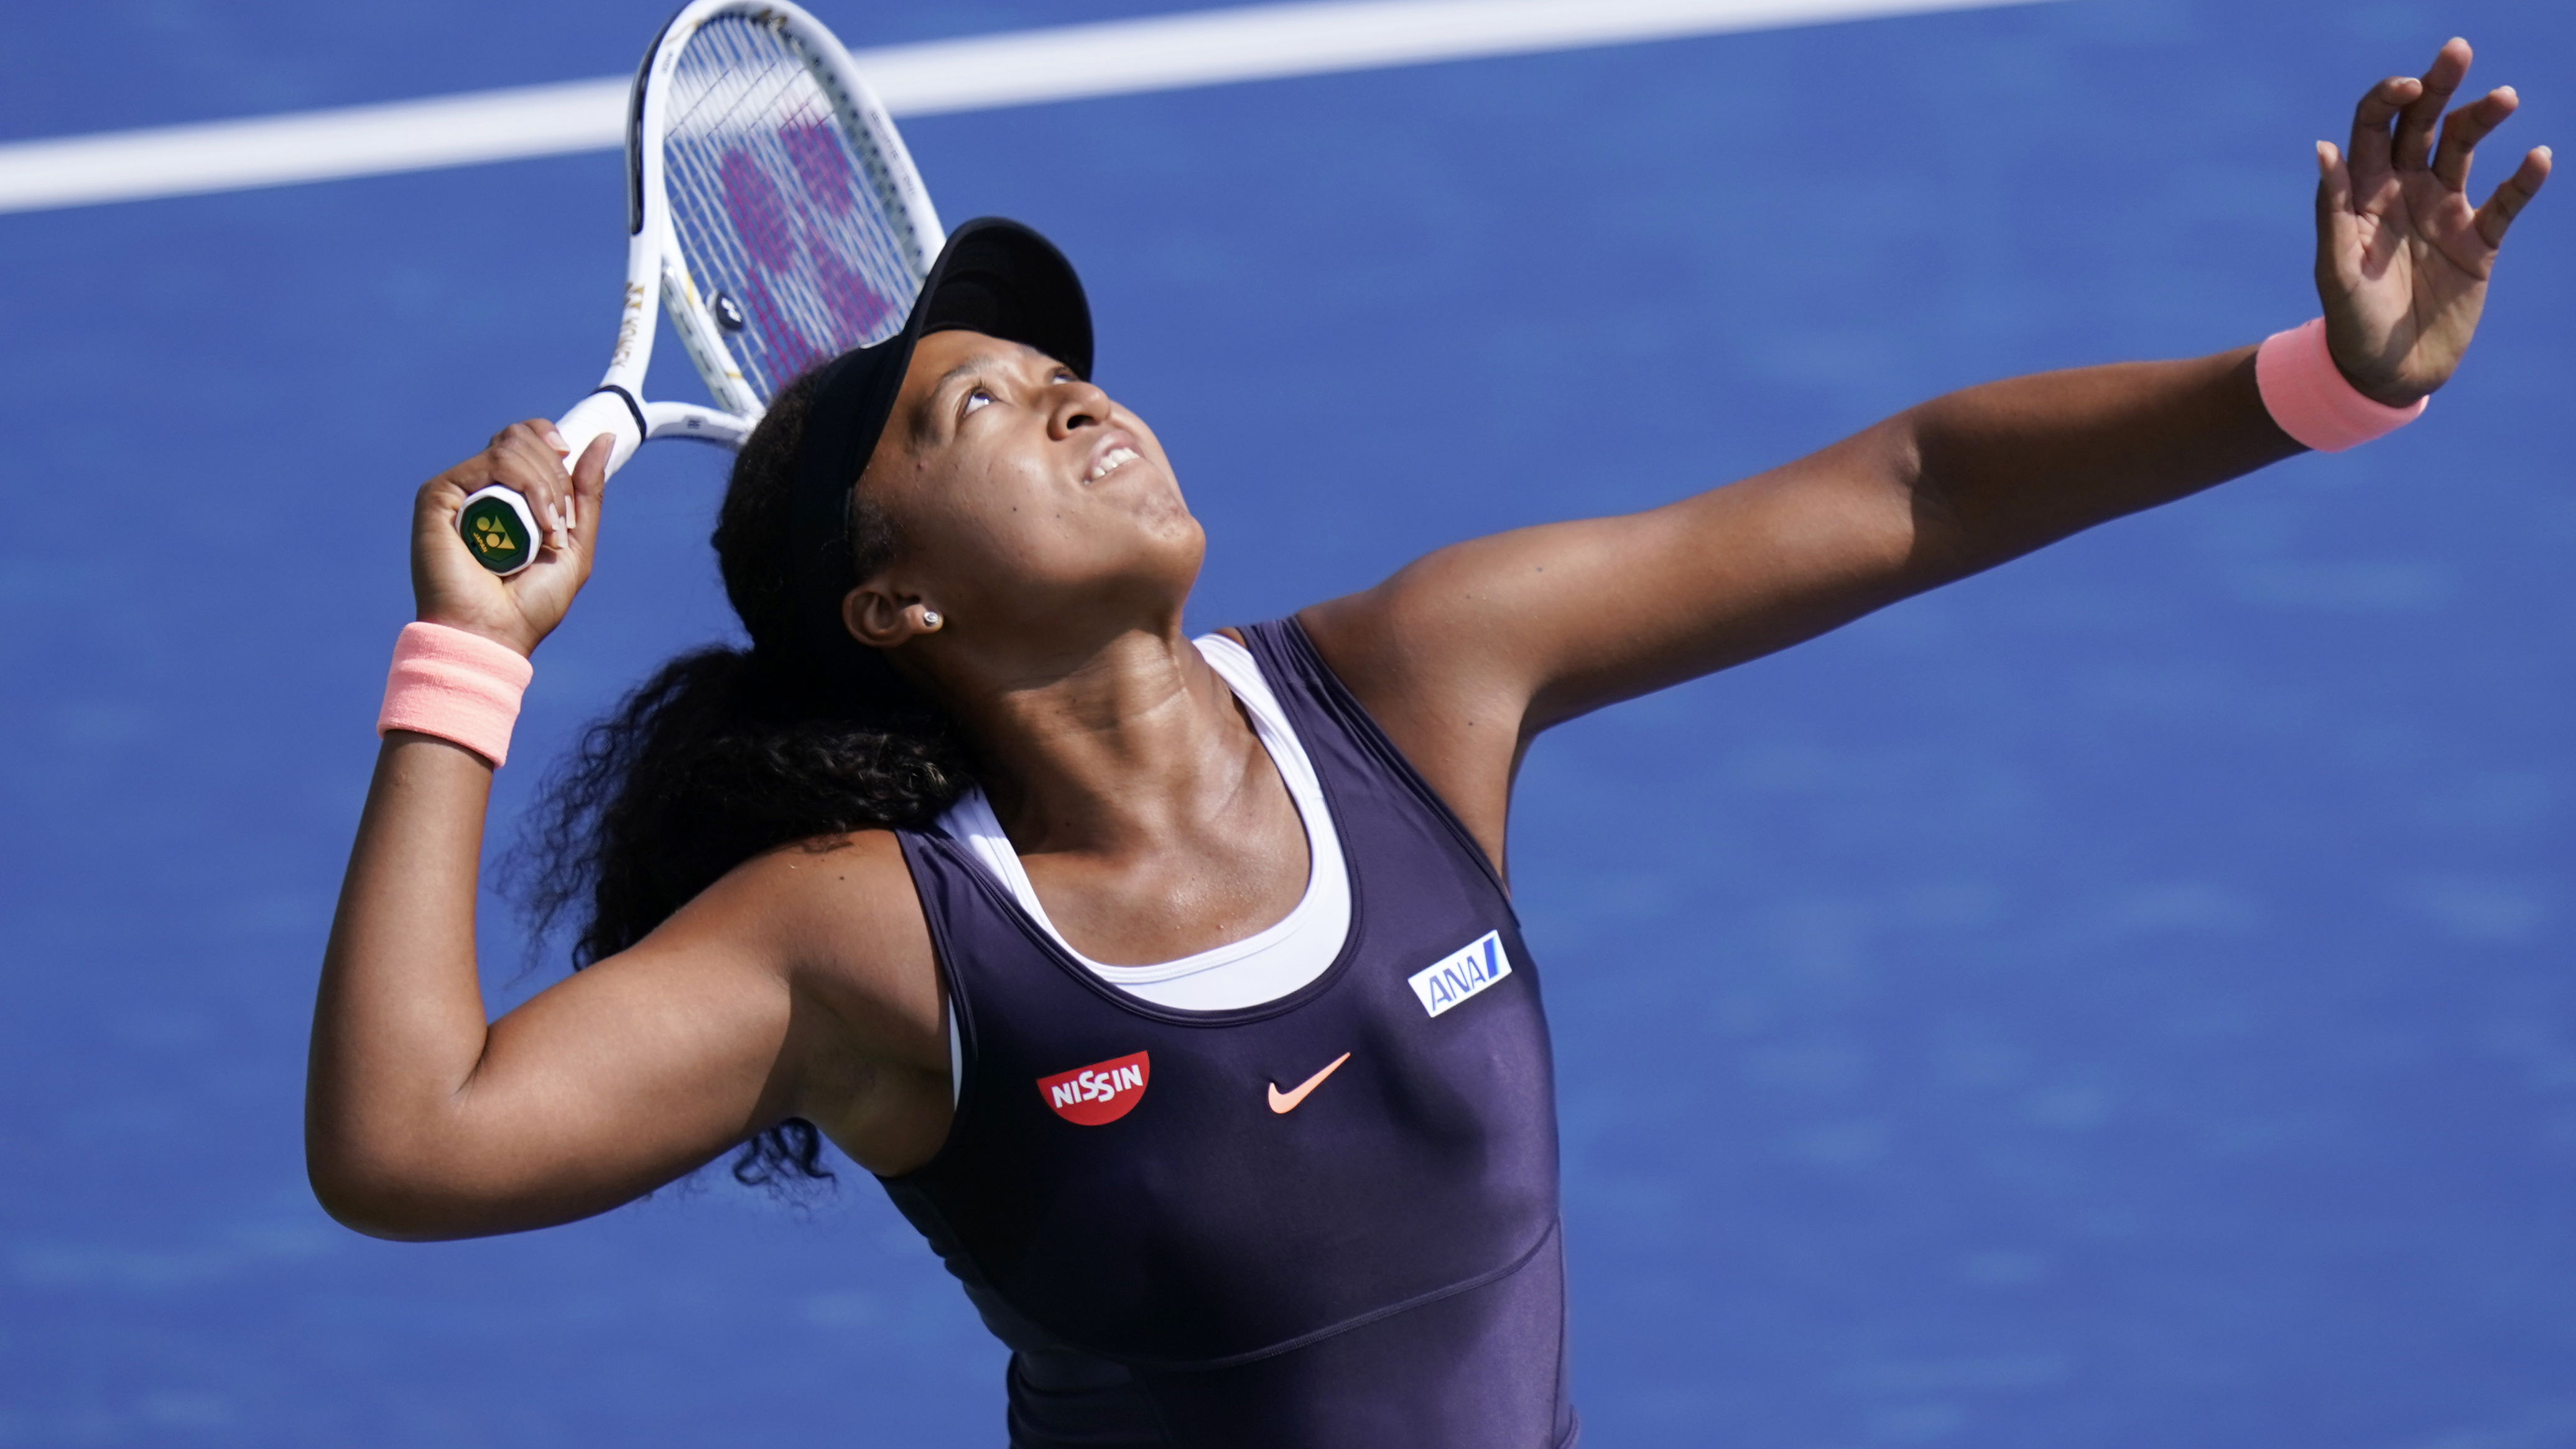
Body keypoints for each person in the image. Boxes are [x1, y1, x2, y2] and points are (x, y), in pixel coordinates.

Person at [310, 40, 2546, 1448]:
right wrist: (467, 658)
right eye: (981, 403)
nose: (1082, 396)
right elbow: (412, 1140)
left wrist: (2325, 383)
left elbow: (1905, 491)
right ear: (897, 603)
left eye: (1065, 365)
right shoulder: (878, 949)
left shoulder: (1411, 682)